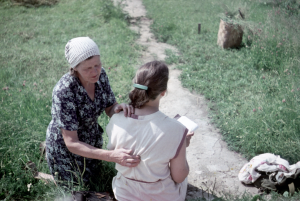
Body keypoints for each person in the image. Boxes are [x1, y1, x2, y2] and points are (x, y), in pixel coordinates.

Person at [46, 37, 140, 187]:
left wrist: (116, 108)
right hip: (66, 150)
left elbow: (109, 107)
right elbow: (71, 142)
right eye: (87, 68)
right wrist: (110, 156)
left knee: (94, 180)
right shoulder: (64, 91)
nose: (95, 71)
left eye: (98, 64)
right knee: (77, 188)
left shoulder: (100, 76)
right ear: (75, 67)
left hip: (91, 141)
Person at [106, 61, 193, 201]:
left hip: (124, 195)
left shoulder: (116, 119)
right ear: (163, 92)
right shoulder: (176, 129)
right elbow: (179, 176)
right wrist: (181, 144)